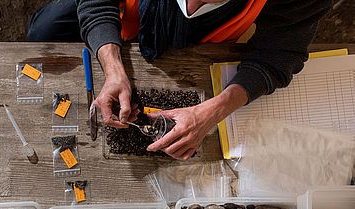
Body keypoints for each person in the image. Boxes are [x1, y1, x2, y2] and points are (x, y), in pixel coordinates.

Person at [27, 0, 331, 160]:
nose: (195, 5)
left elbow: (277, 56)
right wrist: (113, 66)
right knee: (44, 32)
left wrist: (210, 112)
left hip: (212, 38)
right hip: (130, 10)